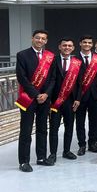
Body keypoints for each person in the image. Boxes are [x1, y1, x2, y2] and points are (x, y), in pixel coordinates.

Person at [16, 29, 56, 172]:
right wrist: (35, 94)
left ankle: (41, 157)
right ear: (32, 38)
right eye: (37, 38)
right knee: (26, 130)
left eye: (43, 38)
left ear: (46, 41)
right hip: (28, 97)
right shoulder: (22, 55)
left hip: (45, 99)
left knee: (42, 129)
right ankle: (24, 161)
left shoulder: (50, 56)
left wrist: (45, 94)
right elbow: (22, 78)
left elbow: (53, 78)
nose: (40, 40)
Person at [48, 37, 82, 163]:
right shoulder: (52, 61)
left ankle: (66, 151)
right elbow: (49, 81)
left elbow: (80, 83)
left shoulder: (77, 62)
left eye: (69, 46)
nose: (67, 47)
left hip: (71, 101)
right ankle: (52, 154)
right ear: (59, 47)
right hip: (55, 101)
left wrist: (78, 99)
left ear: (73, 48)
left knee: (69, 127)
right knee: (54, 128)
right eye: (64, 45)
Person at [75, 35, 97, 156]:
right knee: (80, 122)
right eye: (84, 42)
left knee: (94, 121)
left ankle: (92, 143)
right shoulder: (75, 59)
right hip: (80, 96)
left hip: (95, 95)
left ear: (92, 44)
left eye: (89, 42)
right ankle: (82, 145)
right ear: (80, 44)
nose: (87, 44)